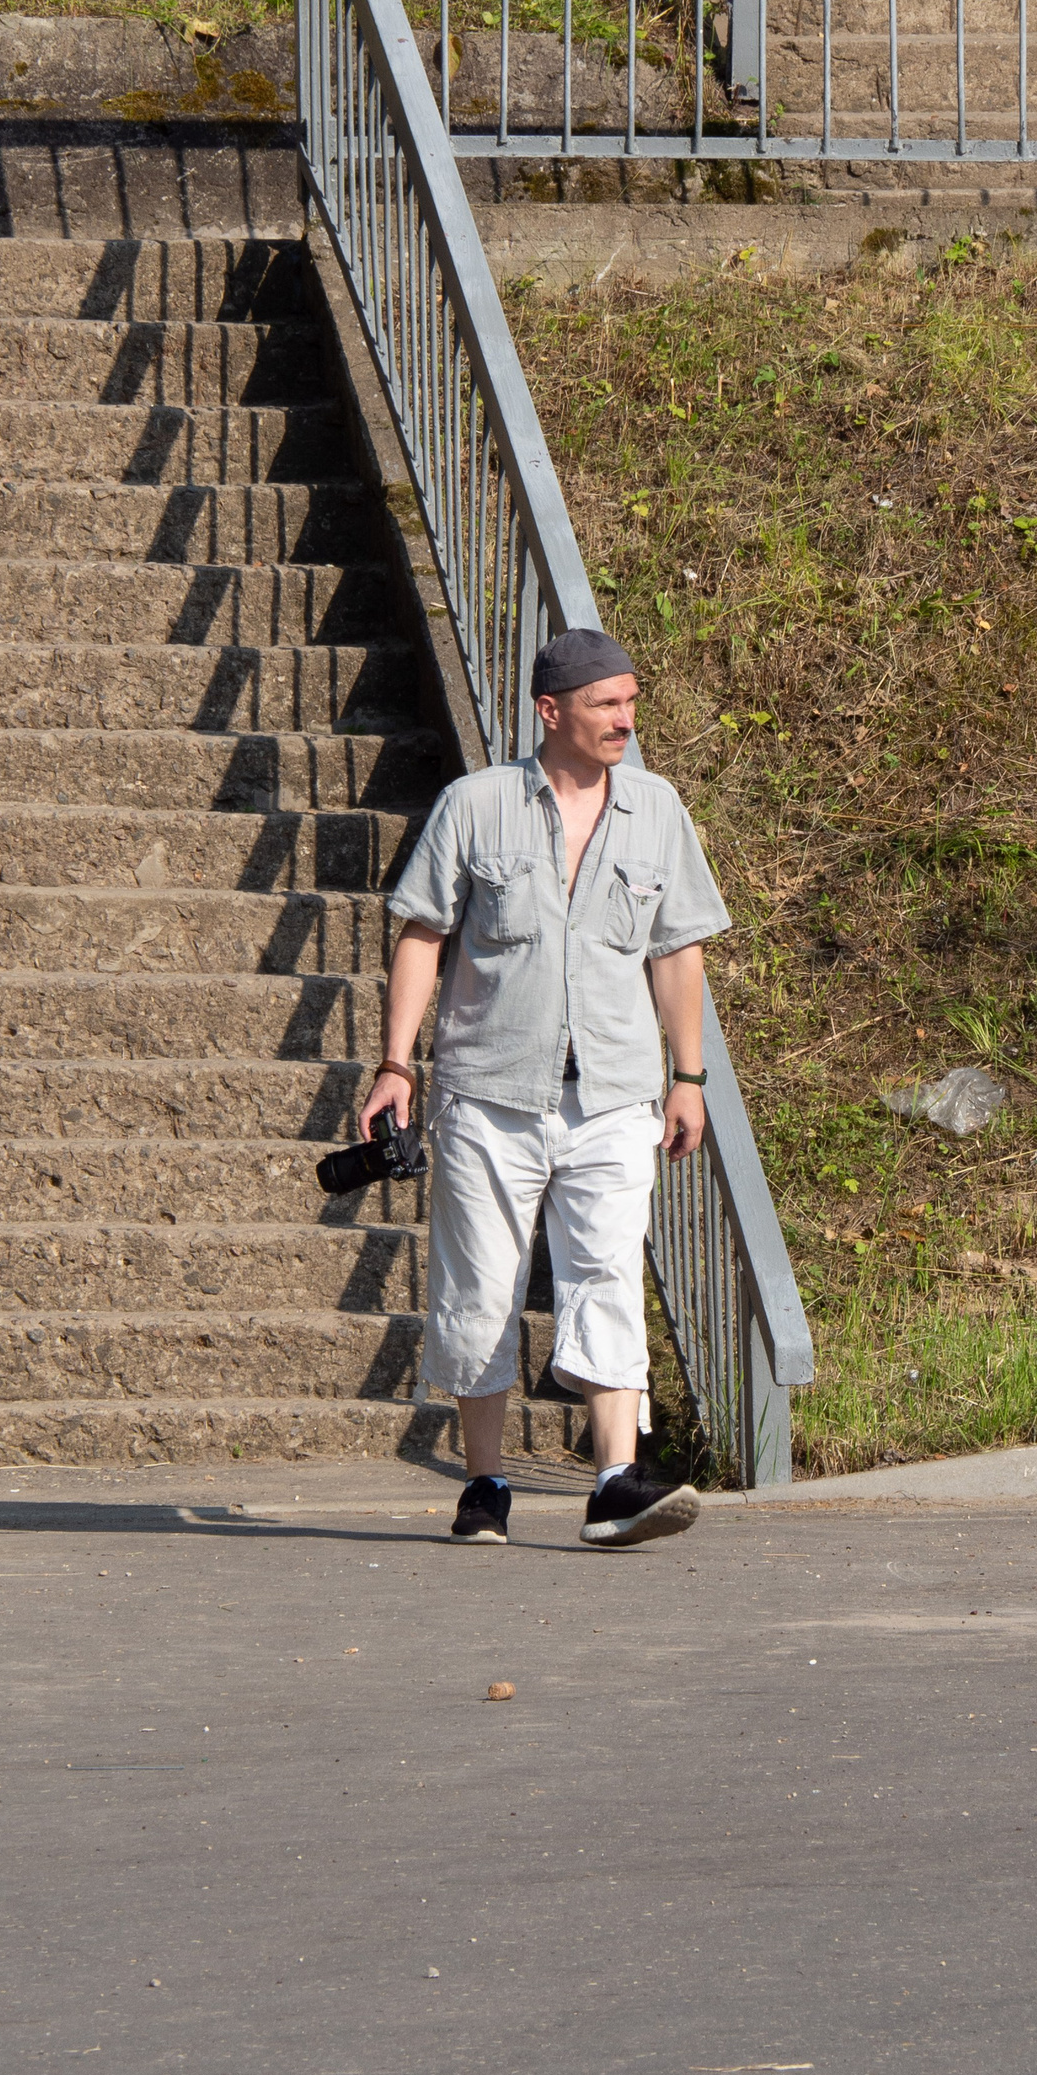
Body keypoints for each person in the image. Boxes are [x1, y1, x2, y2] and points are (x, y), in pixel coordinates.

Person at [355, 627, 729, 1549]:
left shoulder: (657, 809)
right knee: (481, 1287)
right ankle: (485, 1483)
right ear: (550, 711)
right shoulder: (476, 805)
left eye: (631, 702)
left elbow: (677, 951)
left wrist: (688, 1077)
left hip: (615, 1094)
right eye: (607, 704)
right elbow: (422, 934)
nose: (625, 720)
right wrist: (396, 1063)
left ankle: (613, 1482)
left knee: (608, 1274)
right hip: (489, 1092)